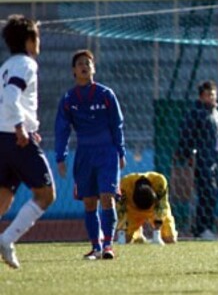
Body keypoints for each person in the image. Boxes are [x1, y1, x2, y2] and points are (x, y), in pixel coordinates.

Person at [55, 50, 125, 260]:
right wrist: (61, 156)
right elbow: (62, 128)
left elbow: (117, 124)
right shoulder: (68, 99)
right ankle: (95, 247)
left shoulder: (106, 94)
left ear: (93, 68)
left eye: (88, 63)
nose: (84, 66)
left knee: (107, 197)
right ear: (74, 71)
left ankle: (108, 246)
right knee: (89, 201)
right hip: (84, 153)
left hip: (107, 152)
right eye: (80, 64)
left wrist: (120, 151)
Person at [0, 16, 57, 269]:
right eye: (37, 37)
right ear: (29, 40)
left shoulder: (5, 66)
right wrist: (21, 128)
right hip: (15, 138)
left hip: (2, 136)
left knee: (3, 197)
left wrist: (28, 125)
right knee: (46, 194)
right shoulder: (26, 64)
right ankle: (7, 239)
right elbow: (12, 96)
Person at [176, 80, 218, 240]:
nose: (212, 97)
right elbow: (187, 135)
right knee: (207, 193)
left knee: (212, 194)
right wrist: (186, 155)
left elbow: (215, 141)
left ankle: (205, 229)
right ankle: (202, 229)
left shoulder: (216, 114)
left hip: (213, 160)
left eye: (214, 94)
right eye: (209, 95)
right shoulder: (196, 113)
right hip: (201, 160)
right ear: (202, 96)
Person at [116, 172, 178, 245]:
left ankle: (139, 232)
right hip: (133, 211)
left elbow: (162, 206)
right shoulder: (124, 185)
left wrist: (157, 233)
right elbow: (121, 209)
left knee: (170, 240)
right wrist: (121, 232)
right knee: (126, 240)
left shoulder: (159, 181)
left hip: (154, 210)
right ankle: (137, 233)